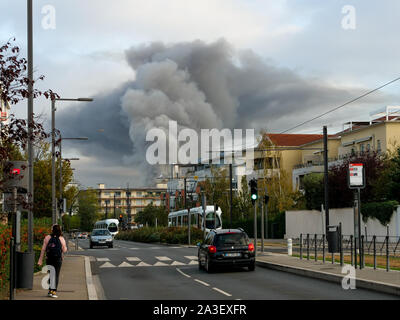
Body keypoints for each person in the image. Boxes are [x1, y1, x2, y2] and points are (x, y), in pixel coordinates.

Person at [38, 224, 68, 298]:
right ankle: (53, 291)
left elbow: (43, 249)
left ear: (52, 230)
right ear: (59, 230)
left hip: (49, 259)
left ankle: (50, 291)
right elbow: (64, 250)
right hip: (58, 259)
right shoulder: (61, 238)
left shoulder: (47, 237)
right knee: (56, 275)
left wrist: (40, 260)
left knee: (51, 274)